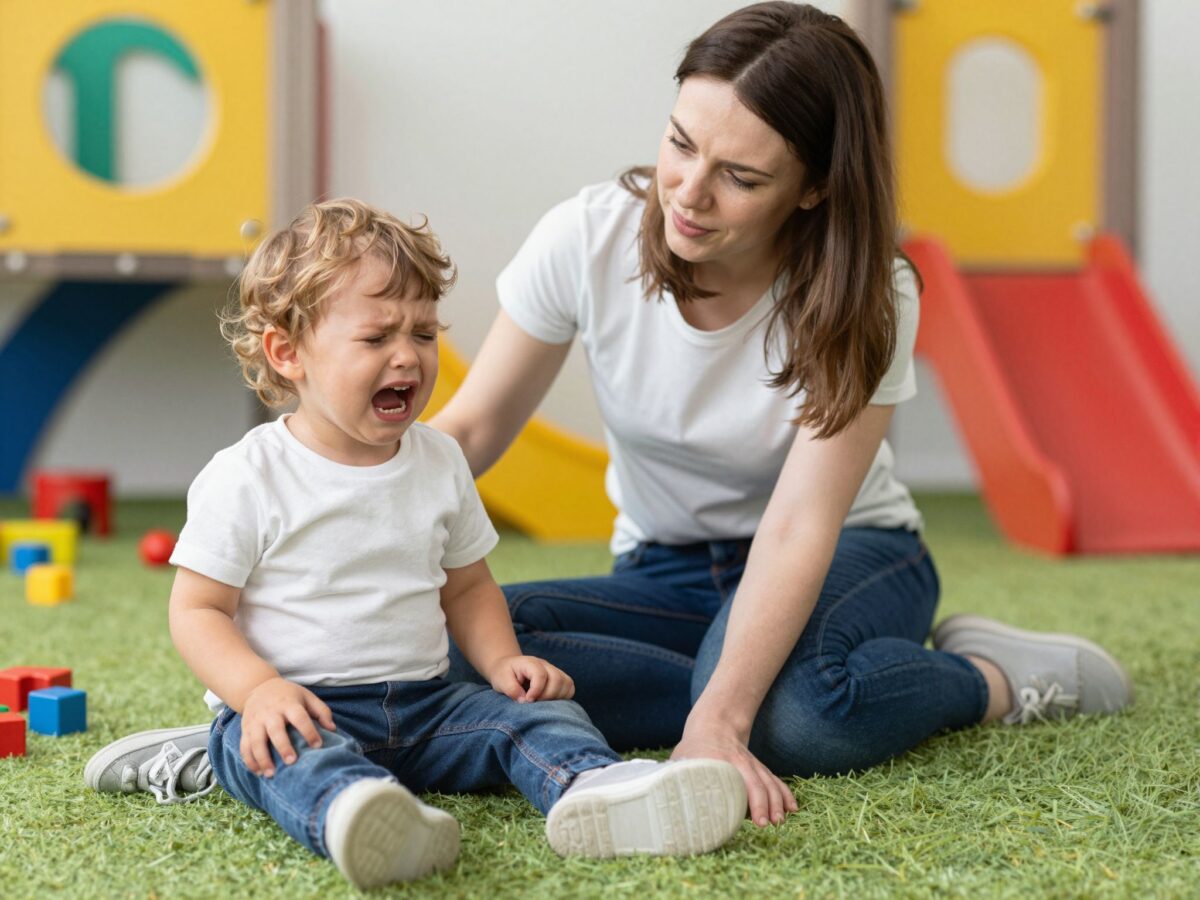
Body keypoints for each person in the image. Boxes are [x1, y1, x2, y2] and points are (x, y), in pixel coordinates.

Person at [88, 0, 1132, 836]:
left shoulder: (871, 294)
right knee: (459, 648)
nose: (688, 191)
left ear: (813, 190)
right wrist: (332, 537)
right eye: (681, 143)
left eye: (741, 175)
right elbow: (476, 426)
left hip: (852, 554)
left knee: (797, 717)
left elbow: (802, 525)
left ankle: (986, 676)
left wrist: (721, 722)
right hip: (666, 573)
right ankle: (270, 740)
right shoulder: (586, 239)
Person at [86, 198, 746, 891]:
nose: (408, 356)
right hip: (301, 706)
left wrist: (502, 663)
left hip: (427, 708)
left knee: (541, 714)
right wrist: (257, 692)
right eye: (376, 339)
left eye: (424, 334)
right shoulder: (247, 475)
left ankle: (597, 788)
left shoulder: (438, 461)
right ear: (288, 353)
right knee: (282, 755)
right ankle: (357, 812)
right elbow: (197, 611)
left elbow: (466, 586)